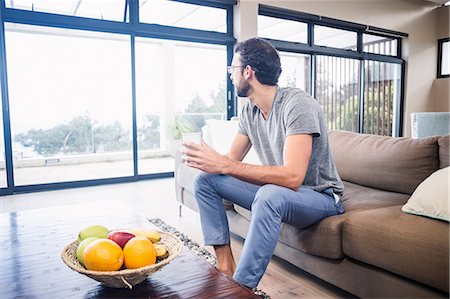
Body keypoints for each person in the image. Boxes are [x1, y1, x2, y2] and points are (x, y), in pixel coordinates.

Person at [182, 37, 345, 289]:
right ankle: (225, 266)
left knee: (269, 195)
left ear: (248, 72)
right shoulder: (250, 111)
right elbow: (230, 162)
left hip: (320, 197)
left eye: (232, 69)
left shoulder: (297, 104)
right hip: (282, 194)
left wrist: (224, 165)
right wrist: (209, 160)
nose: (230, 75)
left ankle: (241, 289)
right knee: (205, 180)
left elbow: (293, 177)